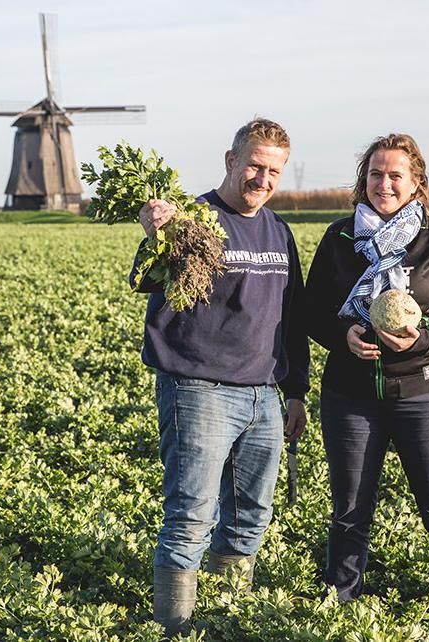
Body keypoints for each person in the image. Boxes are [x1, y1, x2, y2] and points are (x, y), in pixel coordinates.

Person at [303, 133, 429, 629]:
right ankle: (339, 603)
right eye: (374, 174)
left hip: (427, 392)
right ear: (362, 181)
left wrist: (422, 341)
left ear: (415, 185)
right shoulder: (339, 238)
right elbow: (312, 312)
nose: (383, 183)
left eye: (394, 175)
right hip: (351, 393)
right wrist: (343, 334)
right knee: (349, 508)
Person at [132, 119, 310, 636]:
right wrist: (157, 233)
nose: (263, 178)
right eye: (255, 165)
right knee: (190, 517)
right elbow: (145, 278)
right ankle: (176, 628)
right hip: (199, 390)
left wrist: (295, 392)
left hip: (264, 395)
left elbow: (291, 317)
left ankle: (230, 619)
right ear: (230, 161)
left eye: (274, 170)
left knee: (250, 518)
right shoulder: (192, 220)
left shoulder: (278, 230)